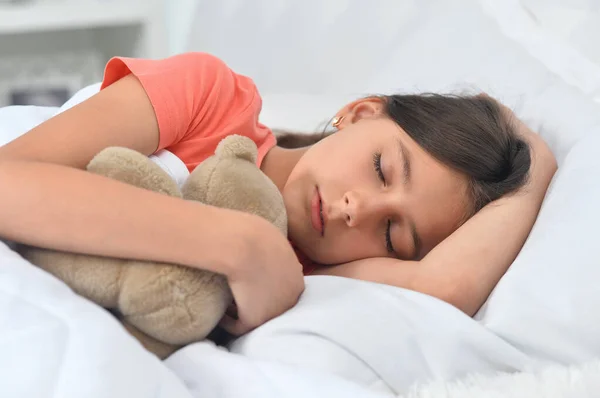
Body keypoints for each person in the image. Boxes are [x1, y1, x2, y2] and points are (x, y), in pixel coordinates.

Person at [0, 52, 557, 336]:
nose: (354, 210)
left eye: (392, 233)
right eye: (382, 168)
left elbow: (445, 286)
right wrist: (238, 244)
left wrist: (537, 169)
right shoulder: (213, 102)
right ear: (360, 113)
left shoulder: (310, 273)